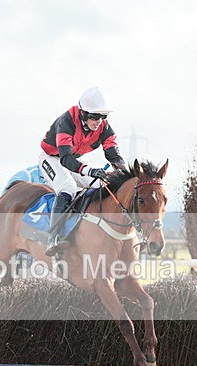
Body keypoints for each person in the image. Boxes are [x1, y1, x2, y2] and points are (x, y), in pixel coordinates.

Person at [39, 86, 127, 255]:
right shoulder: (66, 122)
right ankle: (53, 238)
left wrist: (122, 172)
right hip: (52, 158)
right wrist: (90, 170)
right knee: (68, 188)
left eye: (103, 116)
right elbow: (65, 158)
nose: (99, 121)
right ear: (83, 113)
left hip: (74, 159)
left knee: (100, 186)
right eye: (95, 116)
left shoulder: (103, 127)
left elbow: (112, 153)